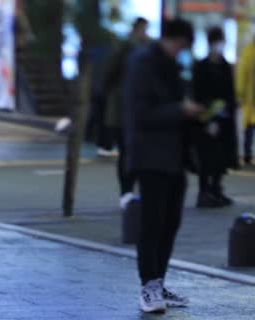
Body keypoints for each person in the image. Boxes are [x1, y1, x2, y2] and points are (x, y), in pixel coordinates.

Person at [123, 19, 203, 313]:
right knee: (152, 224)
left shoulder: (173, 65)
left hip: (174, 156)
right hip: (150, 155)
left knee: (171, 223)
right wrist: (180, 109)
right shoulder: (143, 63)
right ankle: (148, 286)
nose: (181, 51)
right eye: (180, 45)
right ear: (171, 39)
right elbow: (140, 112)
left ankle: (159, 282)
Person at [103, 17, 150, 209]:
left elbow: (108, 75)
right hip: (126, 110)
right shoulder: (128, 47)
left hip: (131, 110)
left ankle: (128, 191)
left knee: (129, 152)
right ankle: (127, 191)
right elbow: (110, 74)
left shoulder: (144, 47)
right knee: (128, 152)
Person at [192, 26, 239, 208]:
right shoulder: (202, 66)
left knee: (222, 156)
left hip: (224, 119)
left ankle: (216, 189)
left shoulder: (225, 65)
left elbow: (230, 93)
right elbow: (198, 93)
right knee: (206, 157)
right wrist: (208, 117)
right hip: (206, 119)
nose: (220, 45)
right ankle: (204, 192)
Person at [237, 34, 255, 166]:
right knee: (249, 127)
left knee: (249, 127)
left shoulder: (248, 52)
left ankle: (248, 153)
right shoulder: (248, 52)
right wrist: (240, 93)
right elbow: (242, 74)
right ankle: (248, 153)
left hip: (250, 98)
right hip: (251, 99)